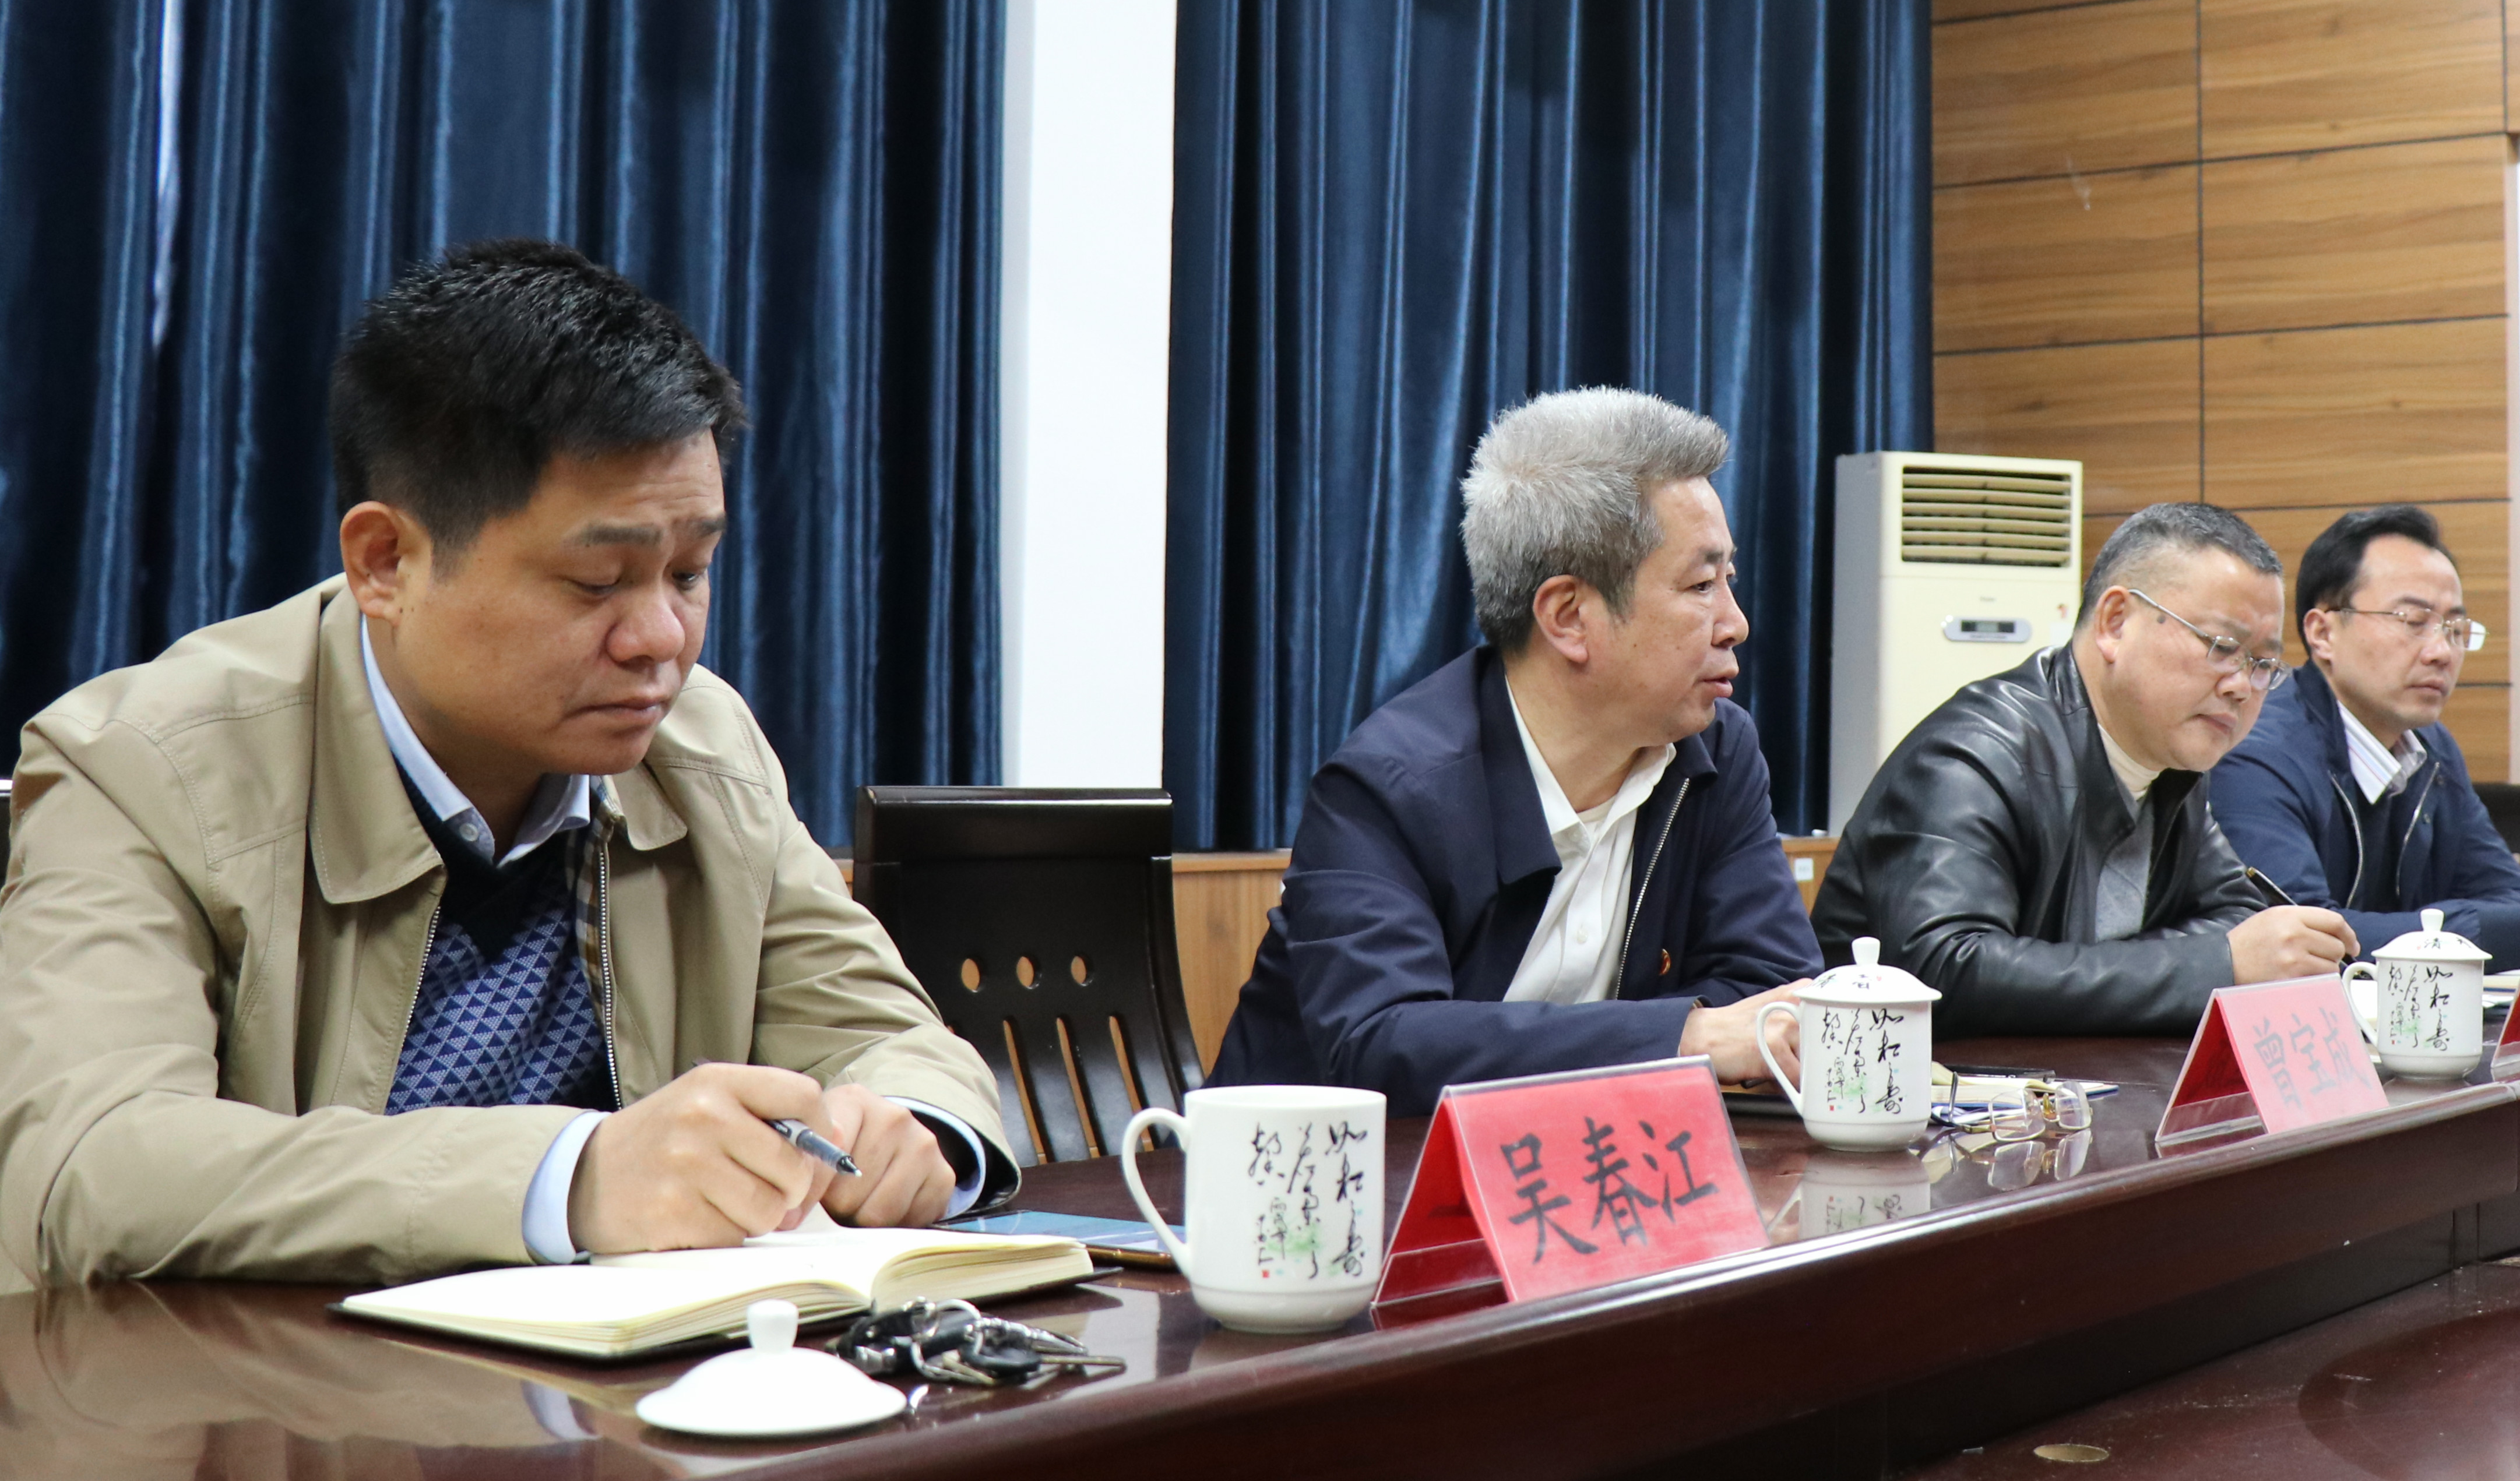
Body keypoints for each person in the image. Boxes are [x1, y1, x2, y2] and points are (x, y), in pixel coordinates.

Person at [0, 241, 1014, 1287]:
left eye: (690, 571)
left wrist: (907, 1126)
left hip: (623, 1373)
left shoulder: (700, 747)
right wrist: (570, 1178)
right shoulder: (142, 768)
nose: (662, 639)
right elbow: (90, 1166)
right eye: (596, 582)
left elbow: (887, 1034)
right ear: (386, 562)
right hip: (256, 1385)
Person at [1211, 387, 1822, 1113]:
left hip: (1580, 1161)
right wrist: (1684, 1036)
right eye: (1699, 585)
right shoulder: (1388, 788)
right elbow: (1381, 1040)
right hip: (1317, 1174)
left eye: (1729, 581)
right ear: (1568, 617)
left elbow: (1772, 992)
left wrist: (1693, 1037)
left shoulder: (1714, 751)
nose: (1736, 623)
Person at [1810, 502, 2356, 1038]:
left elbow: (2235, 917)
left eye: (2262, 664)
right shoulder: (1976, 754)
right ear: (2115, 623)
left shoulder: (2171, 761)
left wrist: (2191, 961)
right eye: (2221, 646)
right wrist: (2213, 966)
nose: (2241, 686)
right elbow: (1942, 968)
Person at [2207, 505, 2520, 971]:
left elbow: (2510, 896)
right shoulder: (2256, 751)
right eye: (2413, 621)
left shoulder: (2431, 747)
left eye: (2455, 629)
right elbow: (2302, 942)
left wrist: (2443, 930)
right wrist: (2500, 932)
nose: (2441, 652)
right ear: (2322, 633)